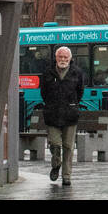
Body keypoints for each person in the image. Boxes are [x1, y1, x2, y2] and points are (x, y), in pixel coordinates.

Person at [39, 45, 85, 186]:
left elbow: (80, 92)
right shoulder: (48, 72)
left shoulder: (77, 73)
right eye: (60, 57)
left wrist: (72, 104)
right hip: (52, 115)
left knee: (68, 146)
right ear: (56, 58)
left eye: (65, 57)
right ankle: (56, 164)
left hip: (70, 115)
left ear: (70, 59)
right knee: (55, 144)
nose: (63, 59)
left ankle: (66, 176)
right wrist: (52, 104)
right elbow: (44, 93)